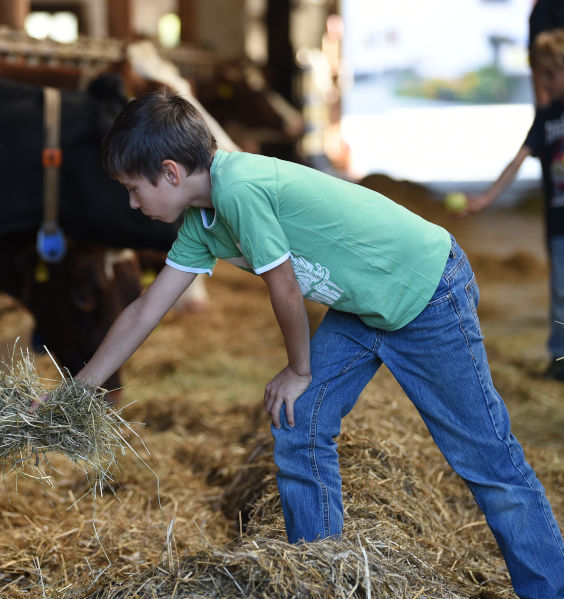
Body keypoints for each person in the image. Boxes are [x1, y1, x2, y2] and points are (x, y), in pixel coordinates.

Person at [57, 88, 564, 598]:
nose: (130, 201)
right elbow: (145, 310)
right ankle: (321, 580)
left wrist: (299, 370)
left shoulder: (239, 187)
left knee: (486, 459)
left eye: (131, 188)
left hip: (424, 291)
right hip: (362, 305)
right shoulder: (201, 224)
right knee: (299, 422)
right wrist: (77, 393)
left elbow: (284, 285)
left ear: (169, 173)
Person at [465, 28, 564, 382]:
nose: (545, 83)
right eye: (540, 75)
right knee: (561, 288)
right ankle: (559, 357)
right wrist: (487, 198)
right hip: (558, 221)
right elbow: (518, 160)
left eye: (551, 74)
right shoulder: (547, 117)